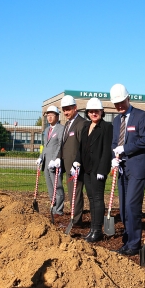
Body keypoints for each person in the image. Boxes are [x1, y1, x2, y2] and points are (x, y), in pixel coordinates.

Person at [110, 84, 145, 256]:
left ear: (128, 98)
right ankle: (127, 240)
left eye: (121, 102)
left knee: (132, 205)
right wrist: (113, 157)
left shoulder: (141, 116)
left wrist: (125, 148)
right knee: (124, 207)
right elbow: (114, 143)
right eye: (116, 104)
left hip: (138, 167)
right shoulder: (117, 121)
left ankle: (134, 244)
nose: (119, 106)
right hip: (123, 168)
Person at [73, 98, 113, 242]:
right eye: (91, 111)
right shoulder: (86, 127)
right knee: (91, 198)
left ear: (102, 112)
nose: (93, 113)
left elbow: (107, 150)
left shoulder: (107, 127)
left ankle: (97, 230)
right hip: (86, 169)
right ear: (87, 113)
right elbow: (81, 147)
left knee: (97, 199)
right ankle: (92, 228)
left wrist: (103, 169)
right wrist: (77, 161)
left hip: (98, 170)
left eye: (96, 111)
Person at [54, 95, 87, 228]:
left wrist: (77, 162)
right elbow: (64, 144)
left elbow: (82, 145)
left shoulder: (82, 123)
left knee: (76, 193)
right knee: (71, 193)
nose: (66, 112)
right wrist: (59, 158)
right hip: (67, 165)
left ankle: (76, 221)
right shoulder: (67, 124)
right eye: (64, 110)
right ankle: (73, 218)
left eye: (68, 109)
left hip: (76, 166)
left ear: (75, 108)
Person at [36, 105, 65, 218]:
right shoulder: (47, 130)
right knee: (50, 187)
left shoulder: (61, 129)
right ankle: (53, 208)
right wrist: (40, 157)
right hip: (46, 163)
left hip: (55, 163)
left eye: (52, 115)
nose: (49, 117)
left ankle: (59, 210)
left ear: (57, 116)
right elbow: (45, 146)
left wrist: (55, 159)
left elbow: (60, 145)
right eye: (48, 115)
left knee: (57, 187)